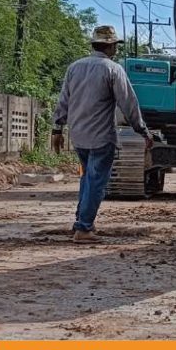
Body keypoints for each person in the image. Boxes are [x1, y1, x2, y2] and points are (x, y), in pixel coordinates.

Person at [51, 25, 150, 243]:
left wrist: (56, 129)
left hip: (78, 136)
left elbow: (63, 101)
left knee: (87, 178)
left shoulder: (74, 68)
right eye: (115, 45)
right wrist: (142, 130)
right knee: (96, 181)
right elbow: (128, 103)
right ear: (111, 46)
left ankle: (81, 221)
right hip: (101, 137)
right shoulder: (113, 69)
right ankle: (84, 229)